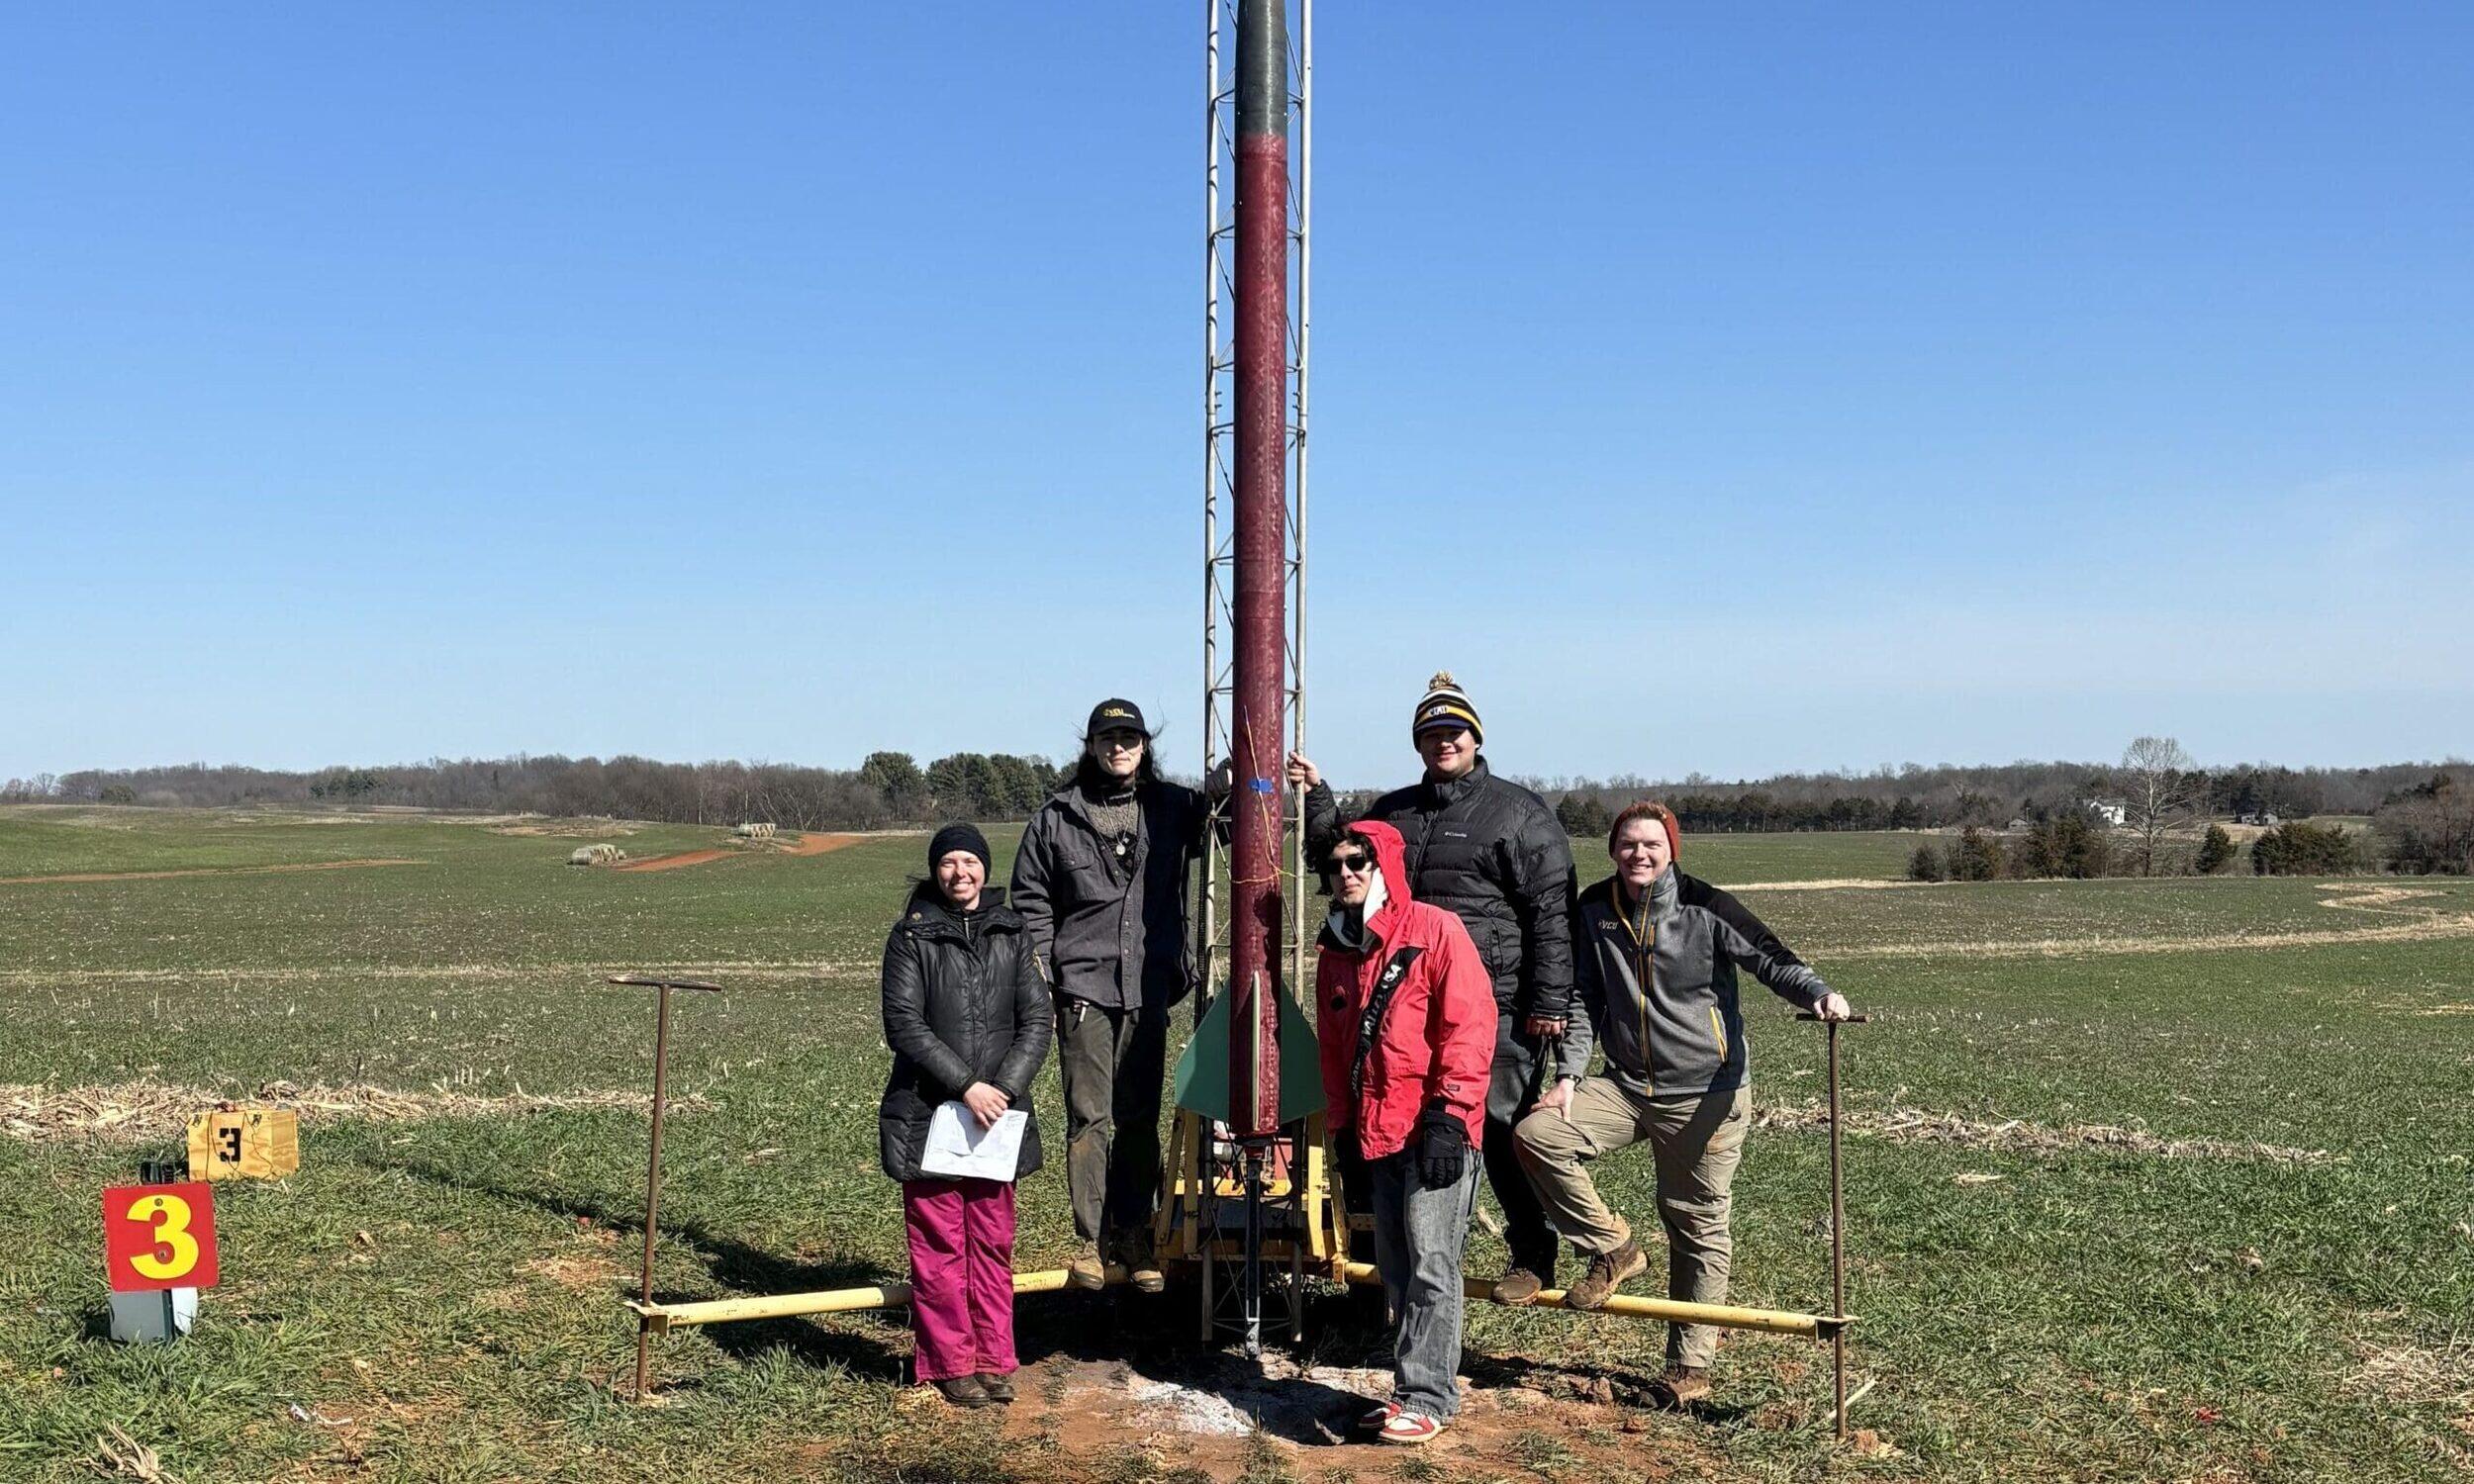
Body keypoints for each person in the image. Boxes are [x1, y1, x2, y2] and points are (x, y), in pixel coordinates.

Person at [1512, 801, 1854, 1407]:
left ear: (1672, 850)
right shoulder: (1595, 908)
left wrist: (1821, 993)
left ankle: (1688, 1370)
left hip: (1707, 1092)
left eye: (1651, 845)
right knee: (1539, 1136)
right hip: (1626, 1085)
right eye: (1627, 845)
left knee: (1694, 1221)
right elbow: (1585, 998)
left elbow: (1769, 957)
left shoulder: (1706, 906)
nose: (1638, 854)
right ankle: (1613, 1247)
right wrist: (1568, 1076)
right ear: (1612, 850)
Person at [1289, 672, 1576, 1299]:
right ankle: (1389, 1278)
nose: (1443, 742)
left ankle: (1531, 1252)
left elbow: (1552, 911)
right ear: (1418, 745)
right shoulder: (1397, 811)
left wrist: (1548, 1000)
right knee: (1390, 1129)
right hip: (1399, 996)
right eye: (1431, 734)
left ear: (1475, 737)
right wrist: (1319, 800)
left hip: (1494, 1001)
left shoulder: (1518, 812)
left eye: (1454, 732)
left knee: (1497, 1127)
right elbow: (1347, 856)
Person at [1010, 698, 1214, 1292]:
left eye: (1129, 738)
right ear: (1091, 746)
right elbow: (1031, 900)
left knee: (1139, 1119)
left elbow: (1236, 822)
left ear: (1144, 746)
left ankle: (1135, 1233)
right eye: (1107, 738)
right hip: (1083, 990)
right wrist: (1042, 967)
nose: (1117, 747)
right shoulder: (1057, 817)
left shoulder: (1174, 808)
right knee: (1088, 1117)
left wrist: (1239, 780)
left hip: (1147, 990)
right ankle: (1091, 1242)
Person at [1314, 820, 1495, 1446]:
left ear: (1384, 863)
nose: (1347, 872)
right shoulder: (1336, 950)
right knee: (1394, 1264)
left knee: (1432, 1262)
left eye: (1359, 860)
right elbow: (1334, 1053)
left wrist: (1450, 1115)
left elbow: (1469, 1027)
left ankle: (1430, 1397)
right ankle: (1406, 1387)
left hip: (1433, 1131)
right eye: (1336, 863)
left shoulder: (1434, 931)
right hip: (1378, 1133)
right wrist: (1342, 1129)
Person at [879, 824, 1055, 1409]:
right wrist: (966, 1085)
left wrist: (1001, 1090)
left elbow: (1037, 1020)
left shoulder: (1013, 931)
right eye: (948, 862)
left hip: (995, 1118)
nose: (960, 872)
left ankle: (994, 1358)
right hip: (931, 1113)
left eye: (970, 861)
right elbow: (904, 1025)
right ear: (935, 871)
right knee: (939, 1245)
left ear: (986, 868)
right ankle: (952, 1364)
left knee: (991, 1239)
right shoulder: (911, 938)